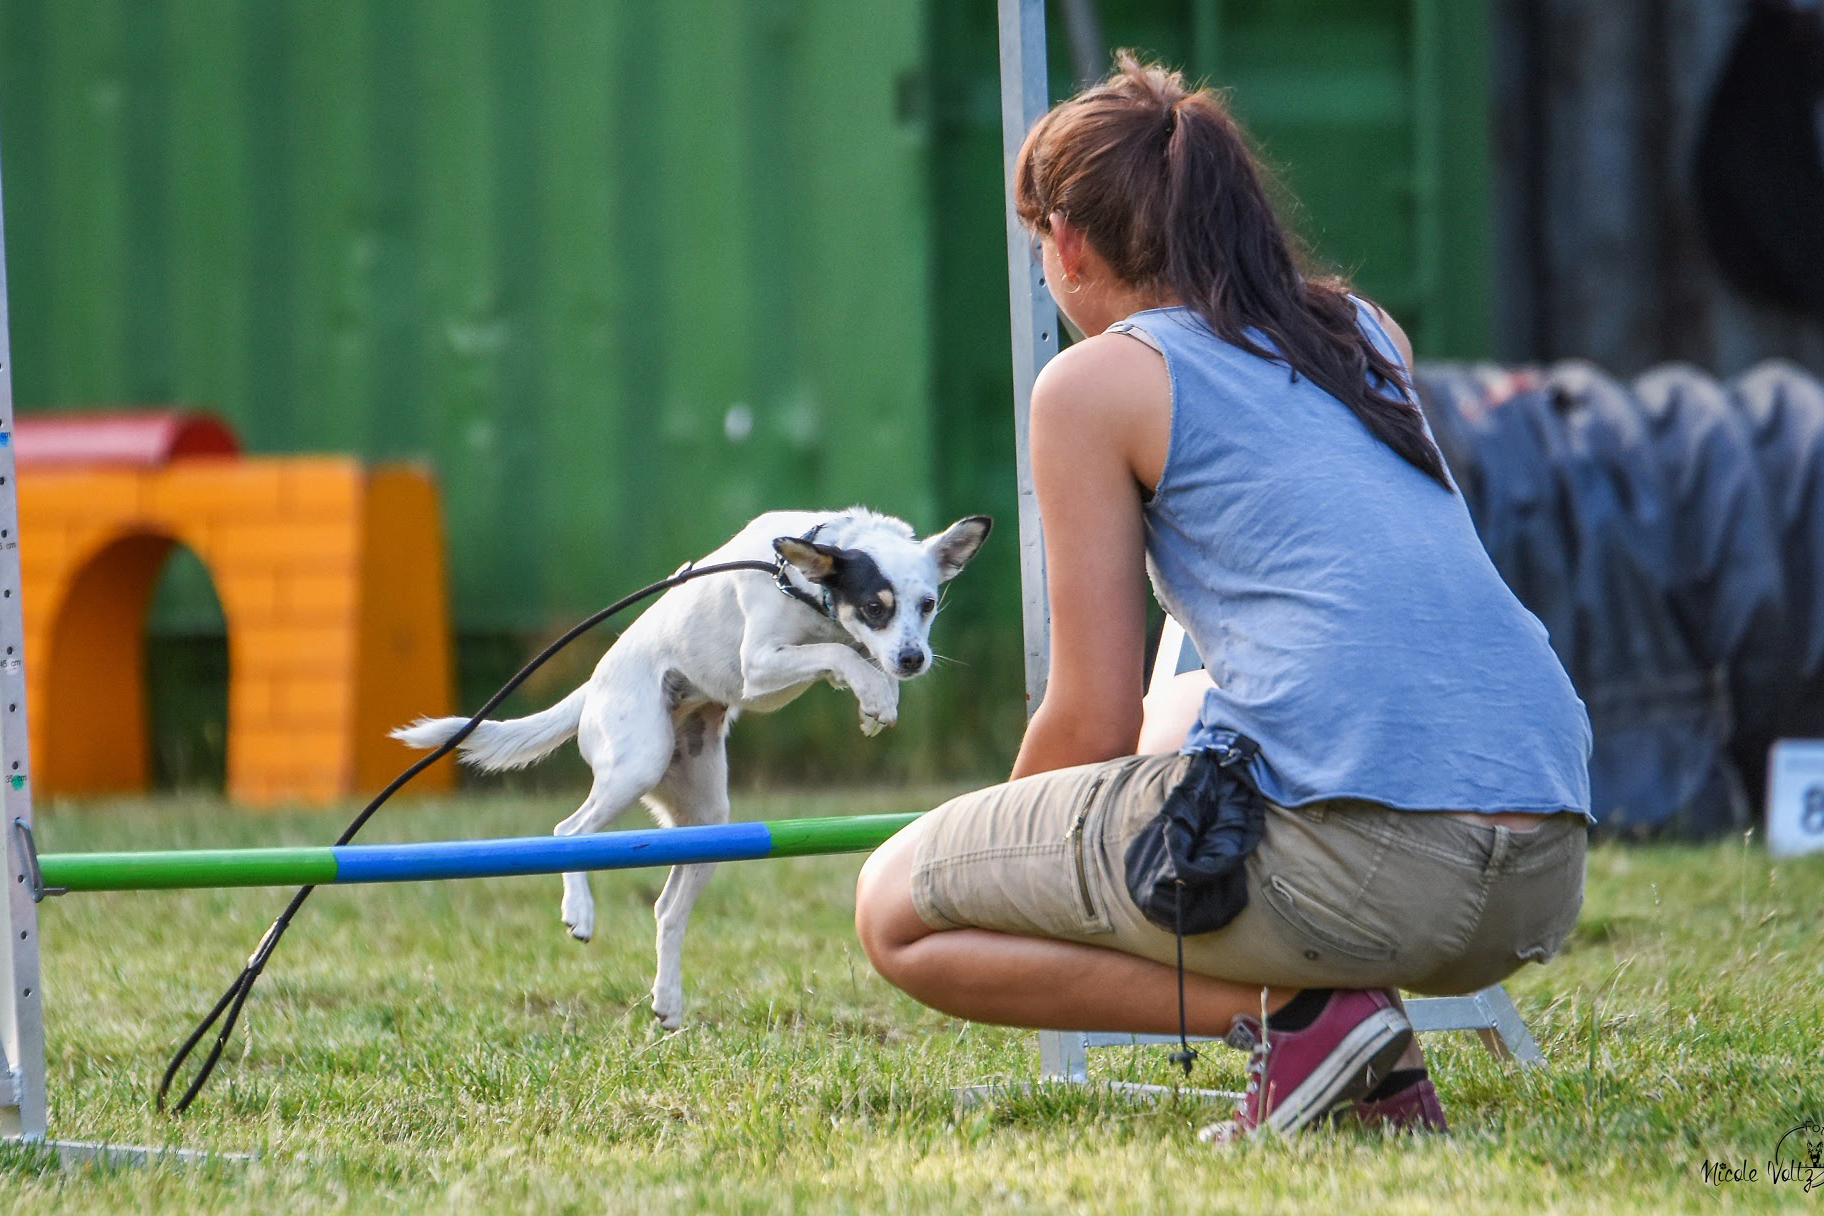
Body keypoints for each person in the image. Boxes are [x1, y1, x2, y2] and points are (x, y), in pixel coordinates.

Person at [853, 53, 1592, 1142]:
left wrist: (990, 842)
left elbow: (1088, 715)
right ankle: (1345, 1041)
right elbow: (1152, 722)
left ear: (1065, 242)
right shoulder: (1362, 332)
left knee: (895, 910)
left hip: (1382, 875)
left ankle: (1301, 1013)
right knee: (1178, 716)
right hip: (1544, 866)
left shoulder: (1095, 384)